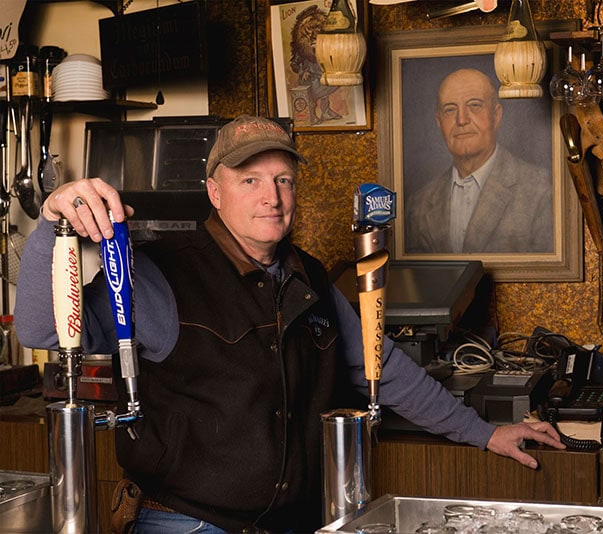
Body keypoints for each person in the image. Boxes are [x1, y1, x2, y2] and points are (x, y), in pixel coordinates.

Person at [15, 115, 565, 533]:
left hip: (293, 522)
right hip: (188, 523)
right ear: (214, 191)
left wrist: (484, 431)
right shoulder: (161, 273)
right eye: (250, 180)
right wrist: (51, 222)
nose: (271, 198)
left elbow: (384, 367)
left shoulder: (312, 279)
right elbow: (40, 332)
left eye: (283, 180)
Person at [405, 68, 554, 254]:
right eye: (450, 110)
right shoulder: (419, 204)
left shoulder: (542, 191)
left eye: (474, 105)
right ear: (439, 122)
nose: (461, 120)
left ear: (496, 115)